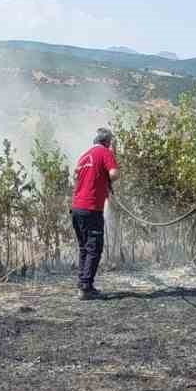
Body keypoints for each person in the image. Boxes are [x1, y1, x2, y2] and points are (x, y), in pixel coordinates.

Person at [71, 128, 119, 299]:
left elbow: (76, 176)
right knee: (94, 247)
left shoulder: (84, 156)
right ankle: (86, 288)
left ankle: (82, 283)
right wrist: (106, 181)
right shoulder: (105, 152)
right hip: (91, 207)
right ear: (107, 142)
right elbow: (114, 173)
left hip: (76, 207)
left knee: (84, 247)